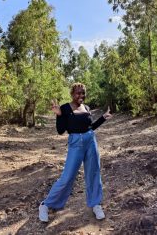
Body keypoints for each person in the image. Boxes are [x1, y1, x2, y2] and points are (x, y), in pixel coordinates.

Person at [39, 82, 112, 222]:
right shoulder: (66, 108)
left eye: (83, 93)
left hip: (90, 141)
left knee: (94, 173)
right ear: (72, 94)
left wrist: (103, 118)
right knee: (67, 176)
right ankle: (45, 205)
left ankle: (95, 204)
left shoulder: (87, 107)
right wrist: (59, 115)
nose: (81, 95)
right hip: (75, 143)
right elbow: (61, 131)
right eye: (78, 93)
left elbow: (90, 127)